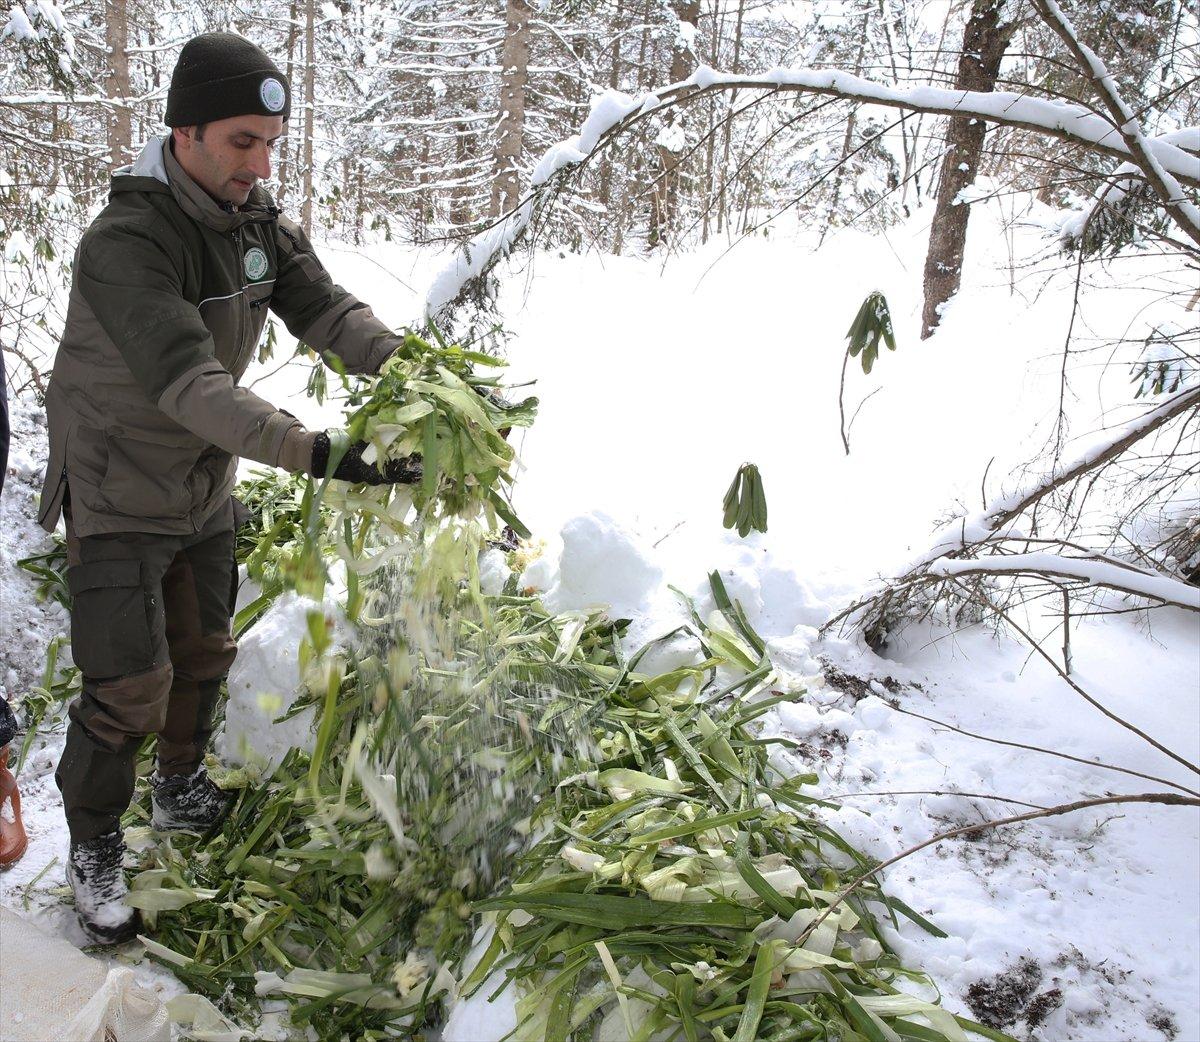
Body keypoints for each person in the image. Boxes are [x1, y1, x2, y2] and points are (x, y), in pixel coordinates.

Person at [39, 32, 416, 944]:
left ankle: (177, 787)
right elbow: (189, 386)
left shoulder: (253, 221)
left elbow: (326, 310)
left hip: (203, 484)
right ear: (187, 130)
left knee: (204, 651)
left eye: (272, 142)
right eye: (242, 140)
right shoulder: (127, 241)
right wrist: (318, 452)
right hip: (120, 482)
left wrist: (421, 376)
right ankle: (93, 845)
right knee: (128, 679)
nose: (260, 161)